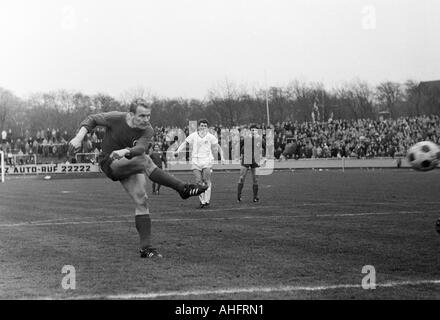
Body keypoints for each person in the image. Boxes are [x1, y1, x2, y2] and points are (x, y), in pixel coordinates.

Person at [68, 98, 207, 259]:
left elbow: (140, 148)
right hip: (109, 162)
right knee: (145, 160)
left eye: (148, 116)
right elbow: (91, 119)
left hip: (130, 162)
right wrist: (79, 138)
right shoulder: (116, 117)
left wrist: (125, 151)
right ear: (130, 114)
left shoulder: (148, 130)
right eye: (141, 116)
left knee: (142, 199)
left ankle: (146, 248)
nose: (145, 120)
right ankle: (182, 188)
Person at [174, 119, 223, 209]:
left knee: (206, 180)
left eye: (205, 126)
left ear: (207, 127)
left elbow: (218, 146)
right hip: (196, 161)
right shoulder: (193, 135)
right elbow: (185, 143)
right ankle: (202, 201)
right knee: (198, 181)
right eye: (201, 125)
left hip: (207, 161)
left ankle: (207, 200)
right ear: (199, 126)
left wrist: (222, 157)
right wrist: (178, 151)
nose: (203, 127)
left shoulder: (210, 136)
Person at [237, 124, 265, 203]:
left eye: (255, 130)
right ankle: (239, 196)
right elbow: (239, 146)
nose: (253, 131)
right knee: (242, 177)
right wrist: (240, 155)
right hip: (246, 159)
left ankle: (255, 197)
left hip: (255, 160)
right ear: (250, 131)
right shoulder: (245, 139)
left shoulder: (261, 140)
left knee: (255, 179)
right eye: (252, 130)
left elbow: (265, 148)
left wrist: (264, 157)